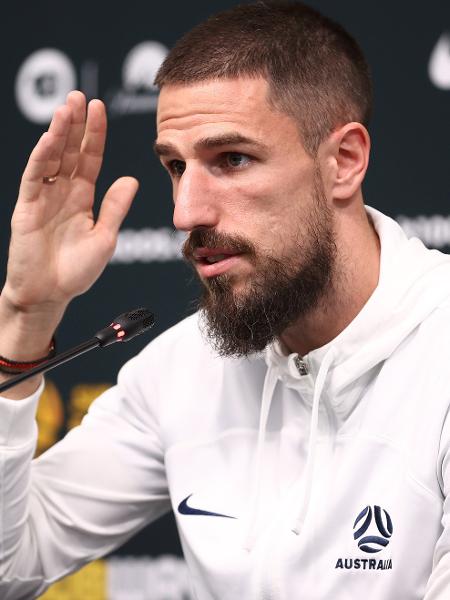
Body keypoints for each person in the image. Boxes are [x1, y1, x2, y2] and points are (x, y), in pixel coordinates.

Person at [0, 1, 449, 598]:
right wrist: (27, 319)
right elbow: (10, 567)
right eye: (176, 167)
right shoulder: (180, 370)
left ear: (343, 162)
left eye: (232, 159)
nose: (186, 213)